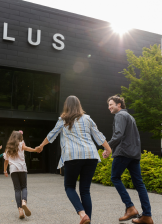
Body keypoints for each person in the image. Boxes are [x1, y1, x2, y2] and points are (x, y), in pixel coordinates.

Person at [37, 95, 112, 224]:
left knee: (69, 187)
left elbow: (51, 135)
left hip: (72, 156)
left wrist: (41, 146)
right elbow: (98, 135)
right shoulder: (87, 119)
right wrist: (108, 149)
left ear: (66, 106)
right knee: (85, 190)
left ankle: (82, 214)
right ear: (79, 105)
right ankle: (87, 219)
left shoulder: (63, 120)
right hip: (91, 155)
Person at [104, 95, 154, 224]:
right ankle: (147, 216)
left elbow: (118, 134)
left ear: (119, 105)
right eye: (108, 105)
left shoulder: (120, 115)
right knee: (139, 184)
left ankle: (130, 207)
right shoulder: (130, 117)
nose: (109, 107)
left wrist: (108, 148)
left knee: (115, 177)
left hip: (123, 153)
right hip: (134, 154)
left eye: (111, 104)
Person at [3, 130, 41, 219]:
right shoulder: (21, 144)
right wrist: (35, 149)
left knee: (17, 189)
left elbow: (6, 161)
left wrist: (5, 171)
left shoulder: (8, 148)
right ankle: (24, 201)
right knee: (24, 187)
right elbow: (28, 148)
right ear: (19, 137)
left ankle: (20, 210)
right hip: (22, 168)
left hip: (13, 169)